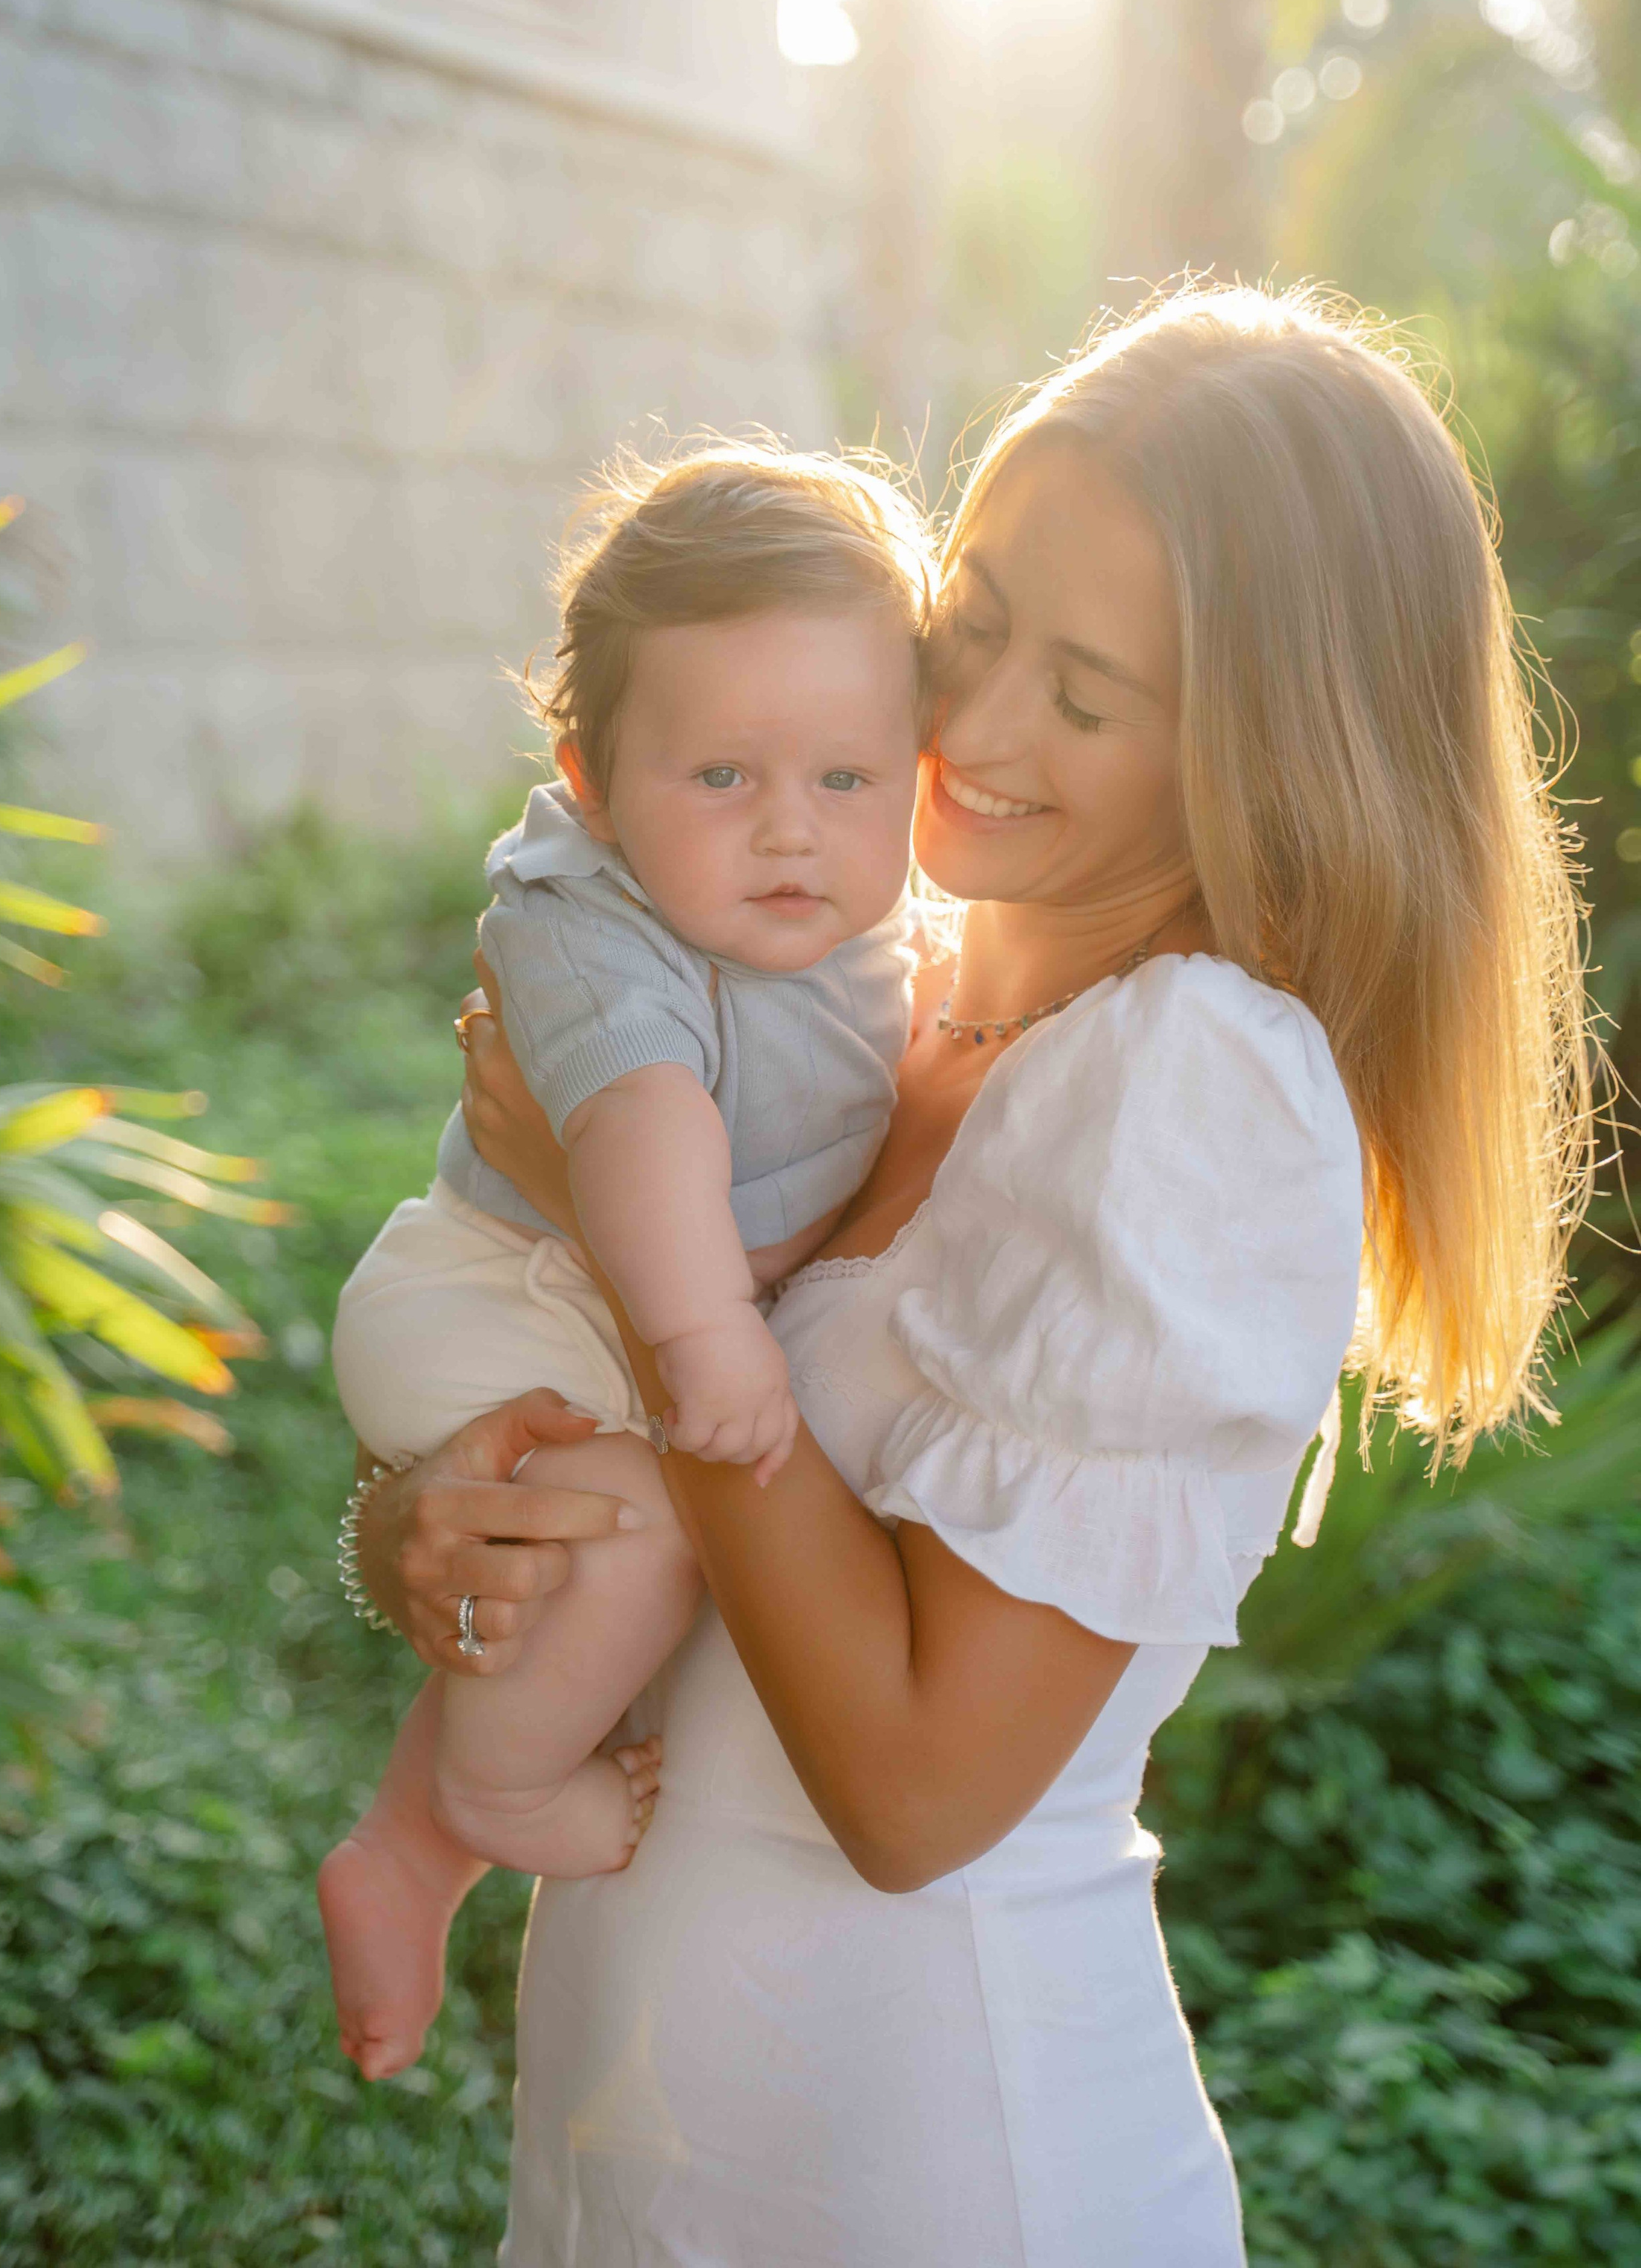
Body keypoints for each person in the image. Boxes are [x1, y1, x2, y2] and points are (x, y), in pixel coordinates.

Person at [351, 290, 1591, 2267]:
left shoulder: (1188, 1085)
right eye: (976, 622)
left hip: (932, 2170)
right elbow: (671, 1505)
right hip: (645, 2134)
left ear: (1261, 749)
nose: (981, 729)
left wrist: (640, 1254)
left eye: (1085, 699)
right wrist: (424, 1527)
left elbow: (914, 1794)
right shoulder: (868, 986)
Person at [319, 446, 933, 2082]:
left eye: (847, 778)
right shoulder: (585, 922)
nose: (789, 830)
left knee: (598, 1546)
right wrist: (709, 1337)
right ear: (590, 780)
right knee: (649, 1517)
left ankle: (398, 1855)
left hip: (603, 1296)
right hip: (507, 1296)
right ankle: (492, 1792)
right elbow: (641, 1128)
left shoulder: (868, 924)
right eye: (719, 776)